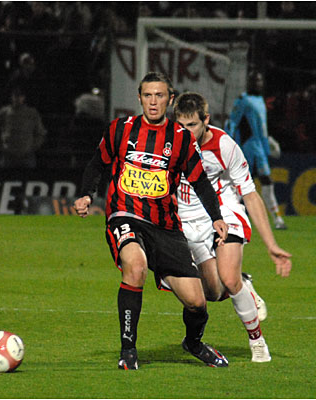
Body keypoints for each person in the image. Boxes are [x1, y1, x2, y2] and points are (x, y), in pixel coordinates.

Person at [73, 72, 229, 370]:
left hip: (166, 228)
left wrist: (217, 218)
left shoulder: (181, 139)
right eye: (147, 95)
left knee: (197, 303)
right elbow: (97, 164)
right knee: (135, 265)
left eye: (159, 95)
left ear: (170, 99)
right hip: (125, 216)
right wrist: (86, 194)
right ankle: (128, 349)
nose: (153, 101)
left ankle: (193, 343)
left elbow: (200, 182)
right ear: (140, 98)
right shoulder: (120, 130)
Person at [174, 92, 292, 362]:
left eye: (192, 125)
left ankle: (257, 341)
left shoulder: (224, 145)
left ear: (206, 120)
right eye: (181, 125)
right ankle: (245, 284)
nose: (186, 131)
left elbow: (250, 194)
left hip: (225, 211)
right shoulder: (170, 143)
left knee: (228, 278)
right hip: (189, 219)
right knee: (214, 292)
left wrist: (271, 245)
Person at [225, 70, 287, 230]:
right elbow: (232, 122)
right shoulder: (243, 100)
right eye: (255, 81)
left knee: (265, 181)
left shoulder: (260, 100)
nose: (258, 84)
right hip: (247, 148)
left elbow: (261, 126)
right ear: (249, 83)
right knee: (243, 183)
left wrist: (269, 141)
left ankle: (277, 219)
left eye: (260, 81)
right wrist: (228, 144)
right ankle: (229, 216)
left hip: (260, 148)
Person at [0, 85, 47, 169]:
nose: (17, 98)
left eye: (20, 96)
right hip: (8, 155)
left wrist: (32, 147)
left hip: (27, 155)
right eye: (15, 96)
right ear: (12, 97)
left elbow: (40, 132)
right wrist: (0, 146)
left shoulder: (32, 113)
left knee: (28, 178)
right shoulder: (3, 112)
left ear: (23, 97)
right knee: (6, 178)